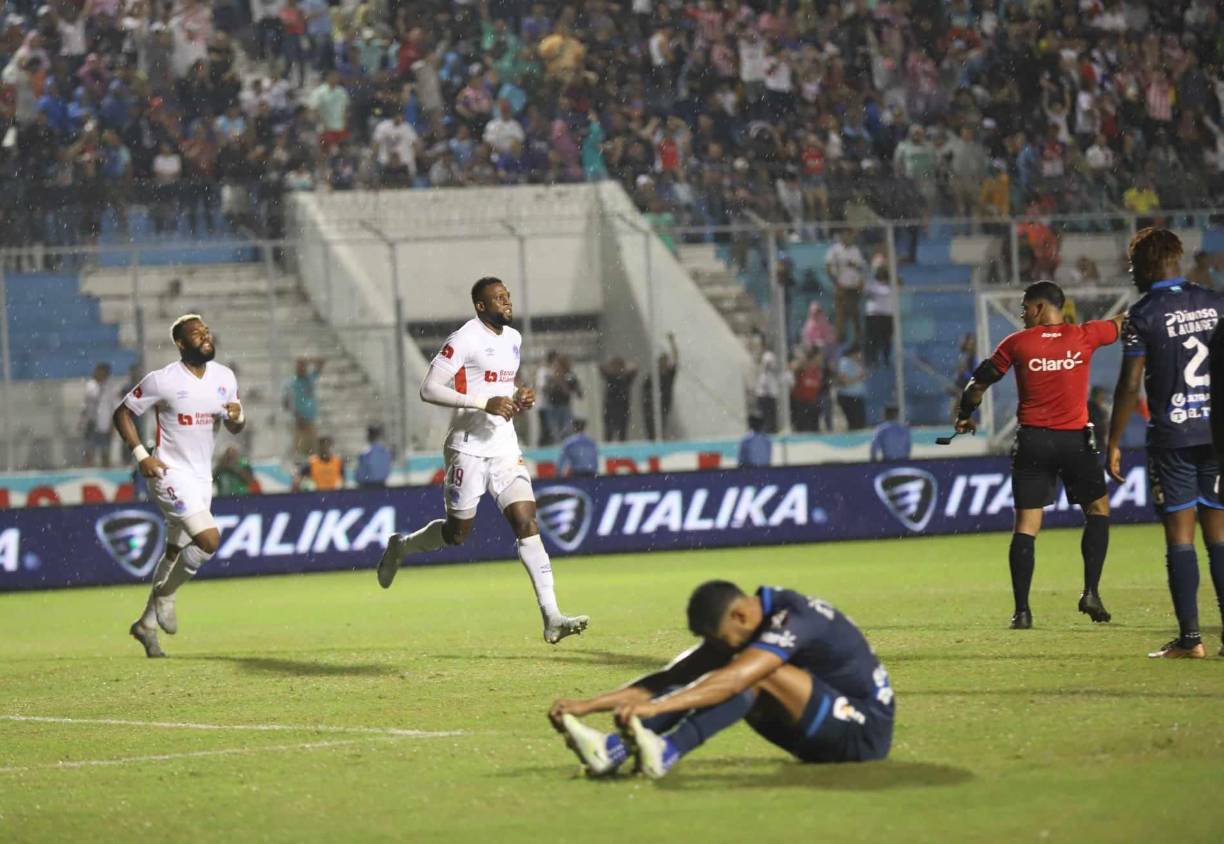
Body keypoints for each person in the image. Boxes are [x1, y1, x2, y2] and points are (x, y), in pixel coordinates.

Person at [375, 277, 588, 644]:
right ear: (481, 306)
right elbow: (428, 388)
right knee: (457, 534)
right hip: (467, 448)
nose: (507, 302)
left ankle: (552, 616)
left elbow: (499, 387)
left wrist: (517, 396)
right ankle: (402, 546)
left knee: (526, 521)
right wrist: (482, 403)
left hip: (504, 447)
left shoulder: (514, 338)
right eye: (499, 298)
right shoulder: (464, 339)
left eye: (508, 296)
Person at [548, 580, 894, 779]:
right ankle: (611, 750)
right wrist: (587, 706)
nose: (715, 647)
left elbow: (734, 681)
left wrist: (656, 709)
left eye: (716, 639)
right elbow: (671, 678)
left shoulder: (794, 617)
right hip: (818, 732)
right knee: (705, 680)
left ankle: (667, 752)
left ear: (740, 615)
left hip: (864, 733)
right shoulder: (746, 627)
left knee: (750, 675)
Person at [955, 281, 1123, 630]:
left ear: (1039, 307)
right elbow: (1123, 323)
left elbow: (978, 383)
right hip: (1075, 442)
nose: (1022, 314)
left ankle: (1022, 612)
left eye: (1024, 308)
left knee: (1026, 526)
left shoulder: (1016, 344)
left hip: (1033, 442)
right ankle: (1091, 592)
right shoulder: (1085, 335)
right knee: (1098, 510)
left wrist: (964, 415)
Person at [1107, 229, 1224, 659]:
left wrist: (1113, 440)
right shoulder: (1215, 302)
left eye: (1133, 266)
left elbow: (1130, 384)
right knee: (1220, 536)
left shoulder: (1143, 314)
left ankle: (1191, 640)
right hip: (1216, 434)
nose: (1131, 273)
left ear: (1145, 265)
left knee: (1180, 535)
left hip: (1173, 436)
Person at [113, 314, 244, 658]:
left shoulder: (224, 377)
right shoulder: (164, 380)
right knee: (208, 540)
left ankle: (145, 625)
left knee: (175, 552)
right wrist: (141, 455)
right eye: (196, 333)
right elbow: (122, 413)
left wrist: (238, 417)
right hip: (169, 473)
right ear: (181, 344)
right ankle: (166, 594)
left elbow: (235, 425)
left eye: (206, 331)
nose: (205, 336)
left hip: (201, 478)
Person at [825, 229, 866, 345]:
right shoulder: (834, 250)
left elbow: (861, 267)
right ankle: (839, 342)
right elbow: (828, 268)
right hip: (842, 287)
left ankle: (857, 341)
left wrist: (860, 280)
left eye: (850, 235)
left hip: (854, 287)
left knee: (855, 315)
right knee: (841, 315)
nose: (848, 237)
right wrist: (836, 283)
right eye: (845, 235)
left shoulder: (855, 250)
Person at [81, 362, 122, 467]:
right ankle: (88, 471)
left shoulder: (112, 388)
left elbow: (115, 408)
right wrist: (82, 421)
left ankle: (106, 470)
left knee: (105, 452)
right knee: (88, 450)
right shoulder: (90, 386)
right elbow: (85, 405)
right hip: (91, 423)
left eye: (100, 371)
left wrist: (113, 426)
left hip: (105, 424)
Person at [283, 357, 324, 457]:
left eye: (304, 367)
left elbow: (321, 362)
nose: (302, 369)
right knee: (299, 451)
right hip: (298, 422)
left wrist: (308, 360)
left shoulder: (309, 379)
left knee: (313, 450)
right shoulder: (292, 383)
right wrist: (298, 417)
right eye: (300, 367)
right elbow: (286, 403)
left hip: (311, 420)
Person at [642, 332, 679, 440]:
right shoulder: (653, 377)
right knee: (651, 430)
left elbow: (676, 358)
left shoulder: (669, 374)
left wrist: (672, 342)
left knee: (660, 428)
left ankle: (659, 441)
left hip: (663, 405)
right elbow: (645, 390)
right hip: (651, 406)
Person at [600, 356, 638, 442]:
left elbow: (635, 368)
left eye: (618, 365)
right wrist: (612, 368)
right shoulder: (609, 376)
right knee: (608, 433)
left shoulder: (626, 377)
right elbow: (601, 367)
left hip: (623, 407)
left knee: (622, 433)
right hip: (610, 408)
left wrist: (623, 369)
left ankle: (622, 448)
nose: (616, 368)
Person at [835, 346, 867, 430]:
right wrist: (858, 378)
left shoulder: (857, 363)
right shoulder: (844, 362)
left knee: (860, 423)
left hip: (857, 396)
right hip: (848, 396)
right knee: (854, 423)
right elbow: (844, 381)